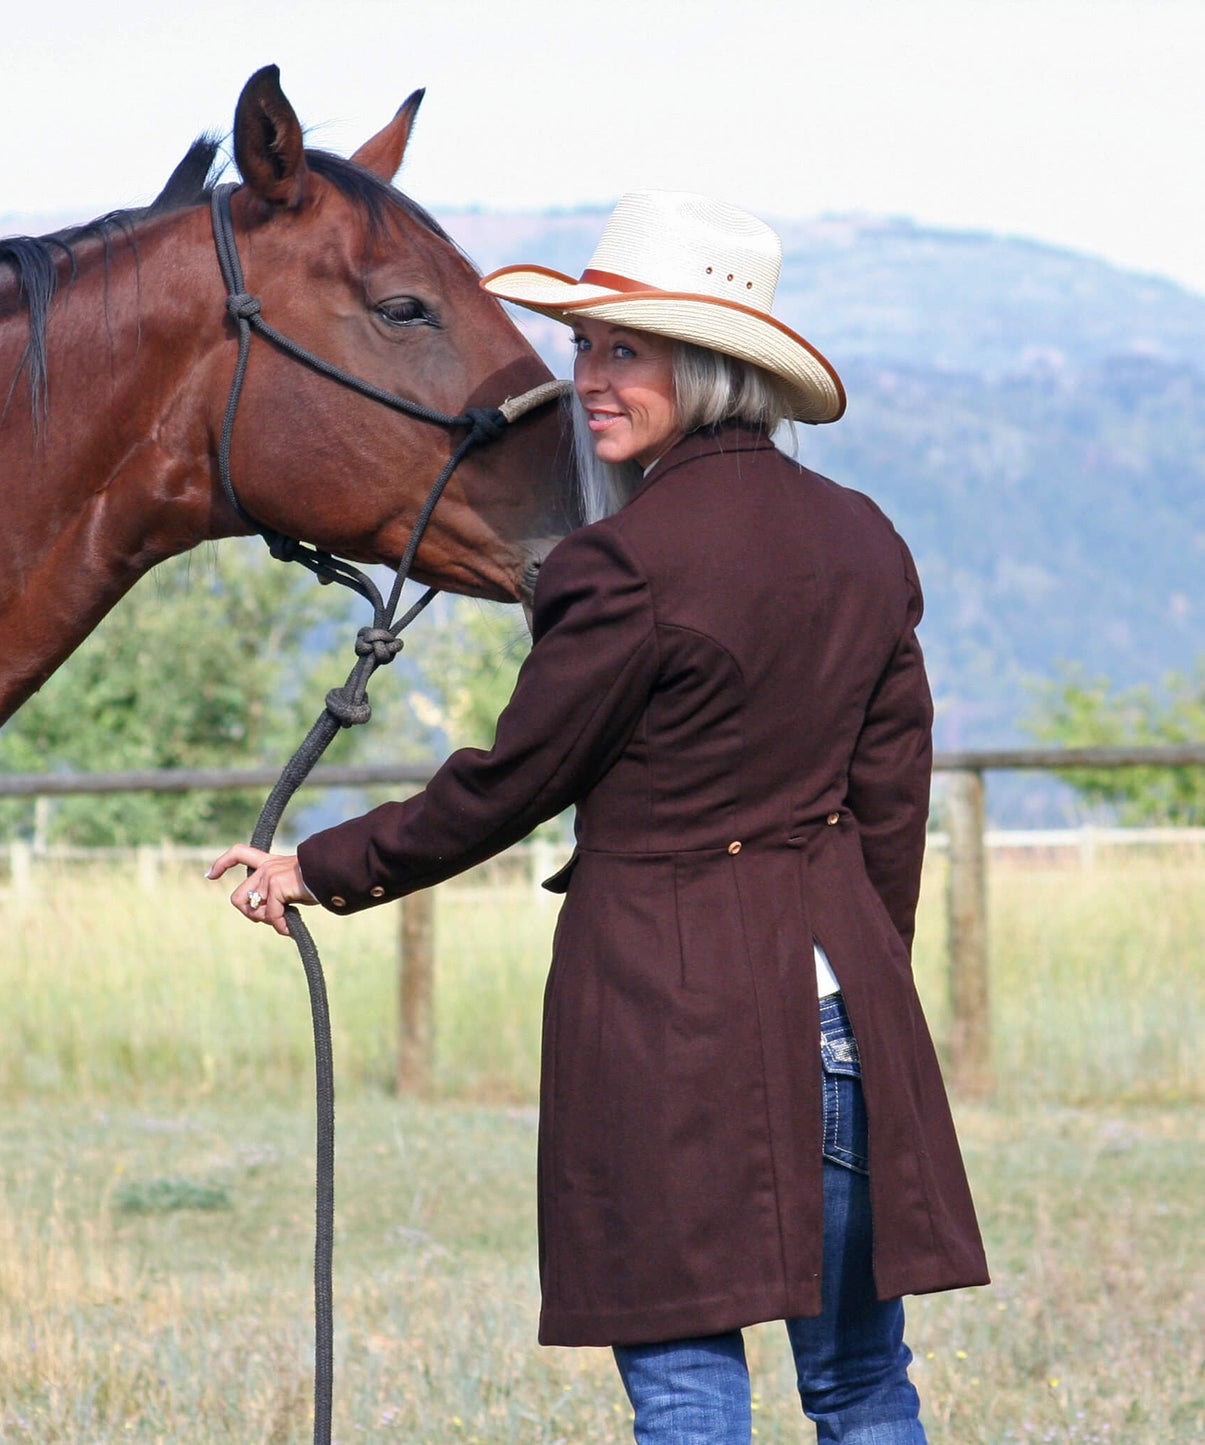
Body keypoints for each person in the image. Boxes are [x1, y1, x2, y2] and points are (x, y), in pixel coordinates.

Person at [208, 190, 989, 1444]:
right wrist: (863, 968)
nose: (586, 378)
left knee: (687, 1393)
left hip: (665, 1030)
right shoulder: (863, 541)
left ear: (711, 367)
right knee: (858, 1387)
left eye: (620, 349)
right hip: (846, 1024)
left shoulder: (617, 565)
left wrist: (318, 867)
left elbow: (512, 781)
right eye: (583, 347)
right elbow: (888, 799)